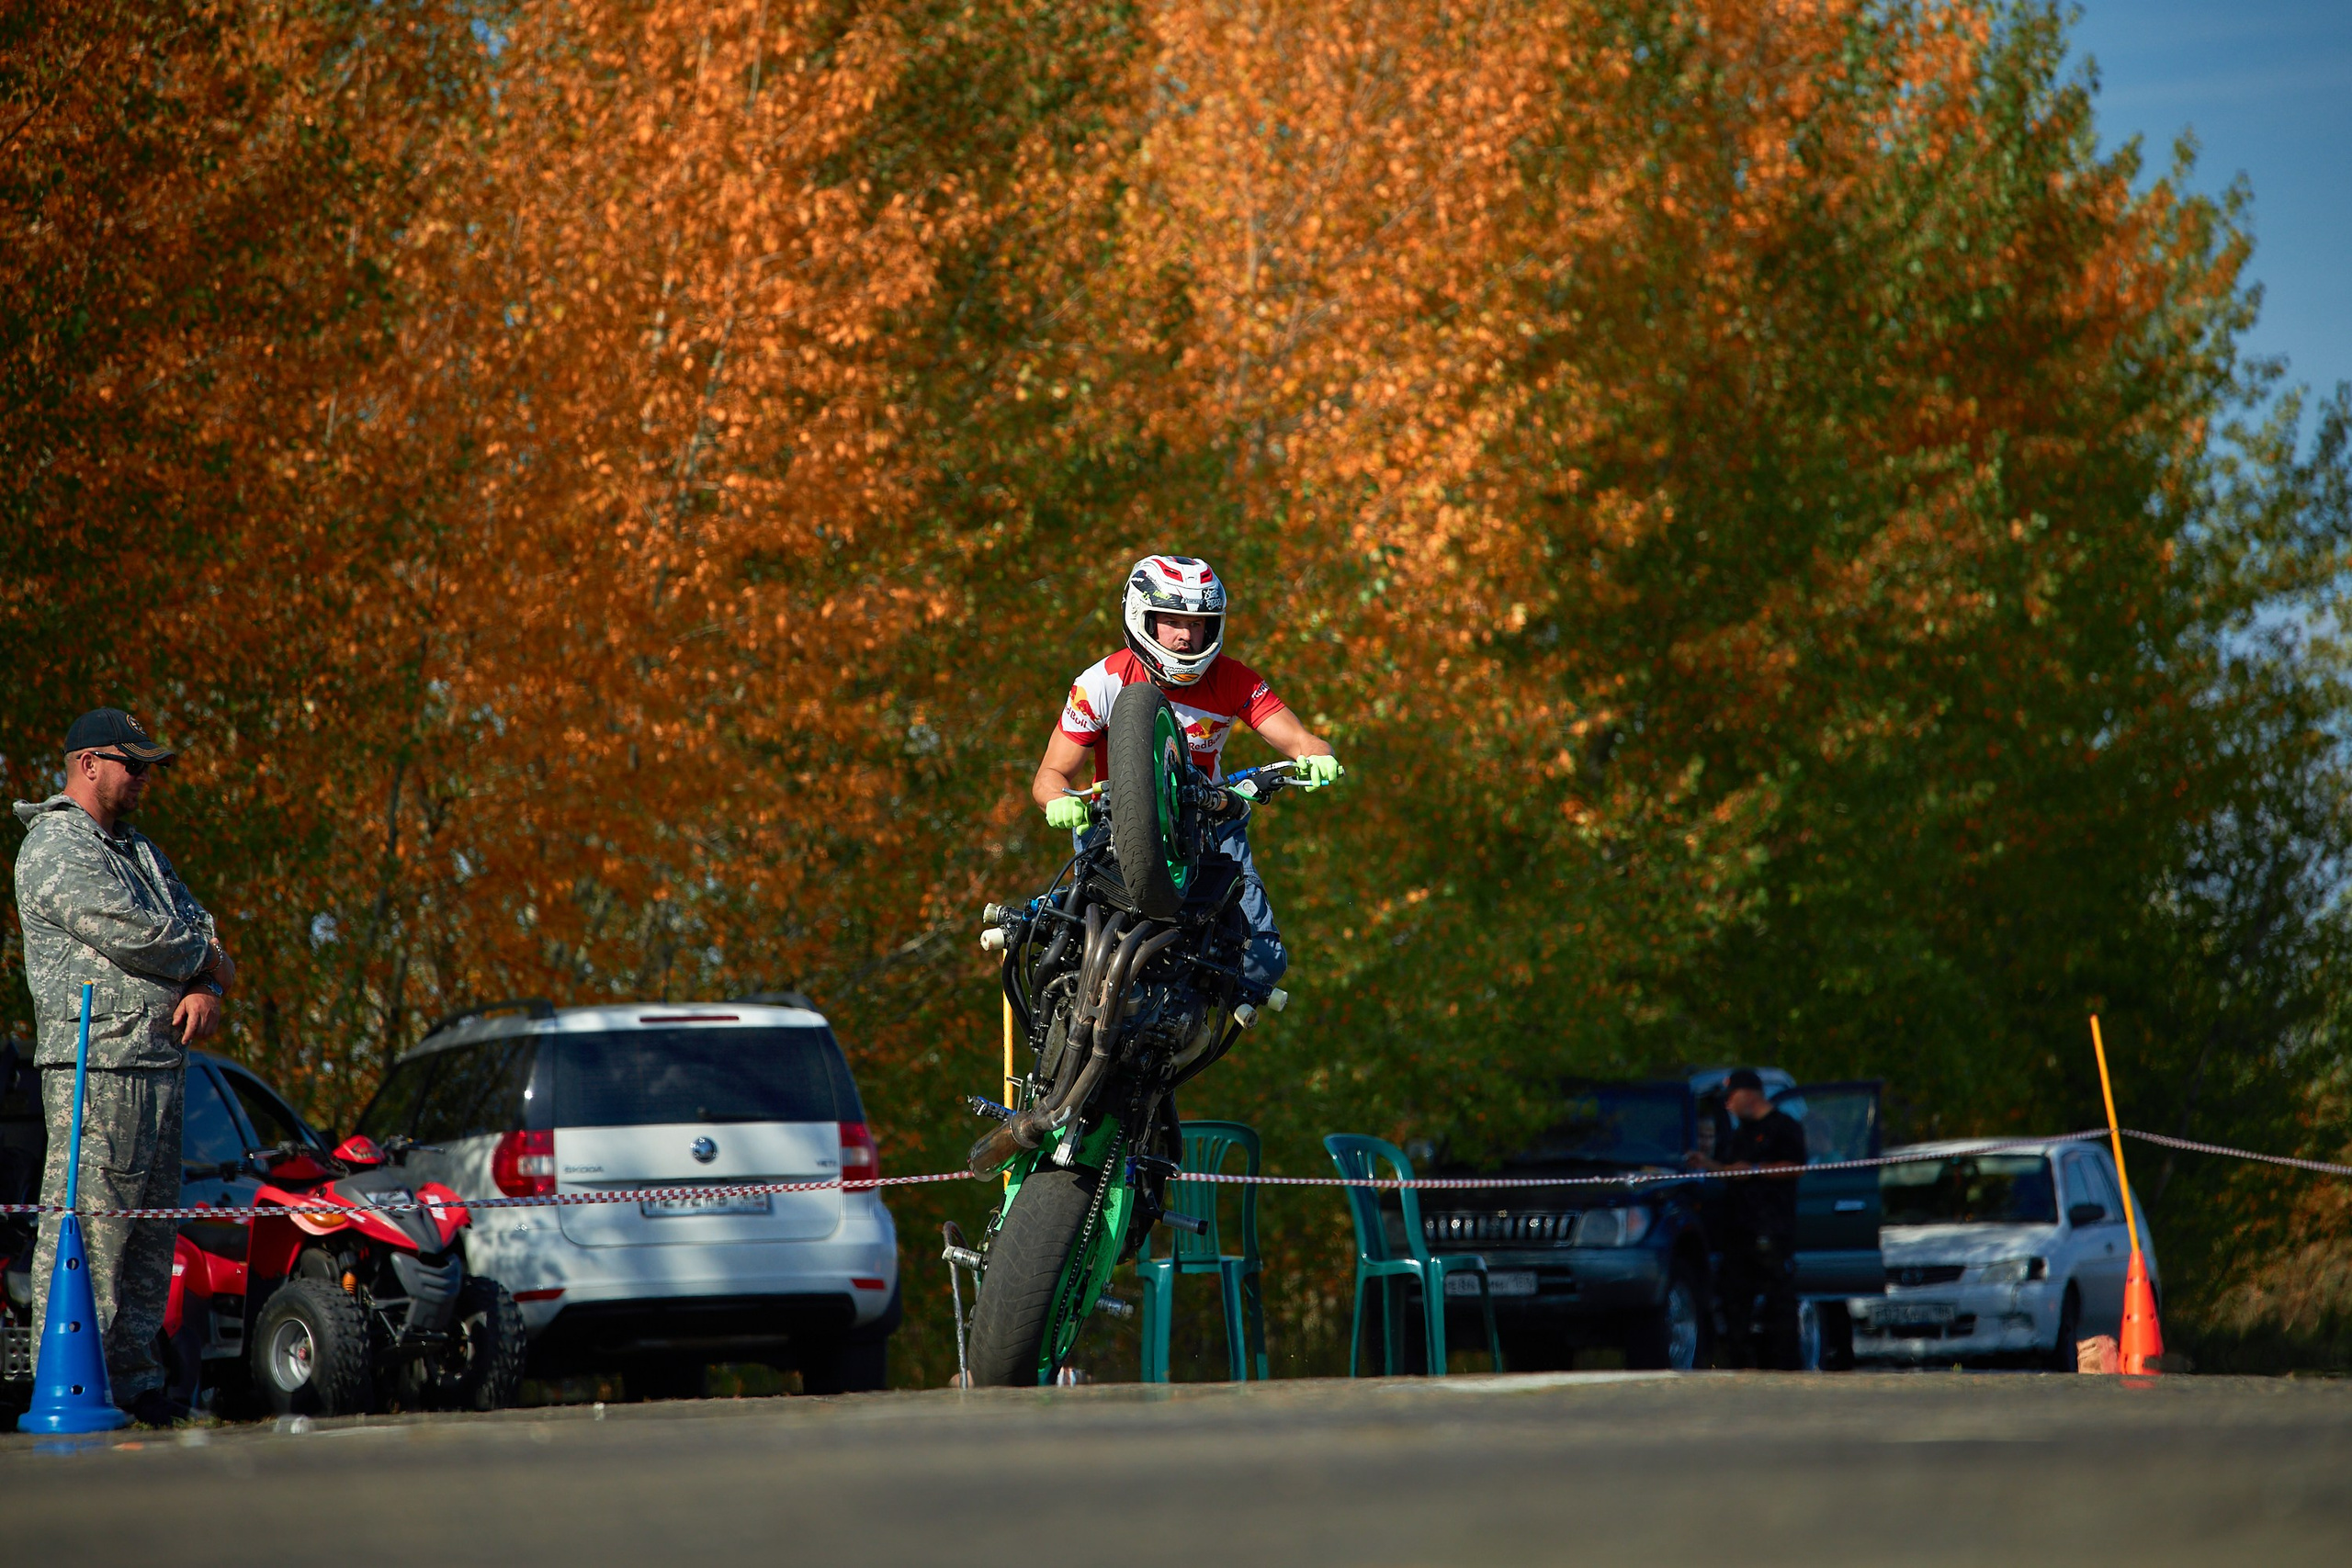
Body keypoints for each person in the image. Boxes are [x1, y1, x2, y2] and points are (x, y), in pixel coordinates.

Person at [16, 708, 234, 1425]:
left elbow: (200, 927)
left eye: (149, 766)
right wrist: (203, 961)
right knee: (92, 1234)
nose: (143, 778)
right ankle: (74, 1387)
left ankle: (140, 1388)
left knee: (145, 1242)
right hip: (97, 1068)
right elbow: (138, 933)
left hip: (158, 1064)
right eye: (132, 763)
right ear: (87, 763)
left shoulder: (140, 850)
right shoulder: (55, 846)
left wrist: (208, 983)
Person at [1031, 556, 1340, 1003]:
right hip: (1115, 825)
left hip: (1209, 823)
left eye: (1198, 624)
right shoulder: (1100, 682)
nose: (1186, 636)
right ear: (1143, 619)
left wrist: (1319, 756)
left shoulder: (1233, 678)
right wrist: (1059, 800)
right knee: (1065, 939)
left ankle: (1178, 1019)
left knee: (1261, 963)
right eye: (1172, 621)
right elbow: (1050, 774)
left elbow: (1300, 740)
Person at [1689, 1068, 1807, 1369]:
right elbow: (1733, 1172)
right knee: (1734, 1300)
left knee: (1779, 1301)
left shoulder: (1784, 1126)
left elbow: (1795, 1167)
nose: (1728, 1105)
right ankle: (1741, 1365)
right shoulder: (1739, 1133)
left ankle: (1786, 1366)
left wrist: (1755, 1169)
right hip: (1739, 1229)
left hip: (1772, 1227)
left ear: (1749, 1094)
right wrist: (1707, 1165)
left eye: (1731, 1097)